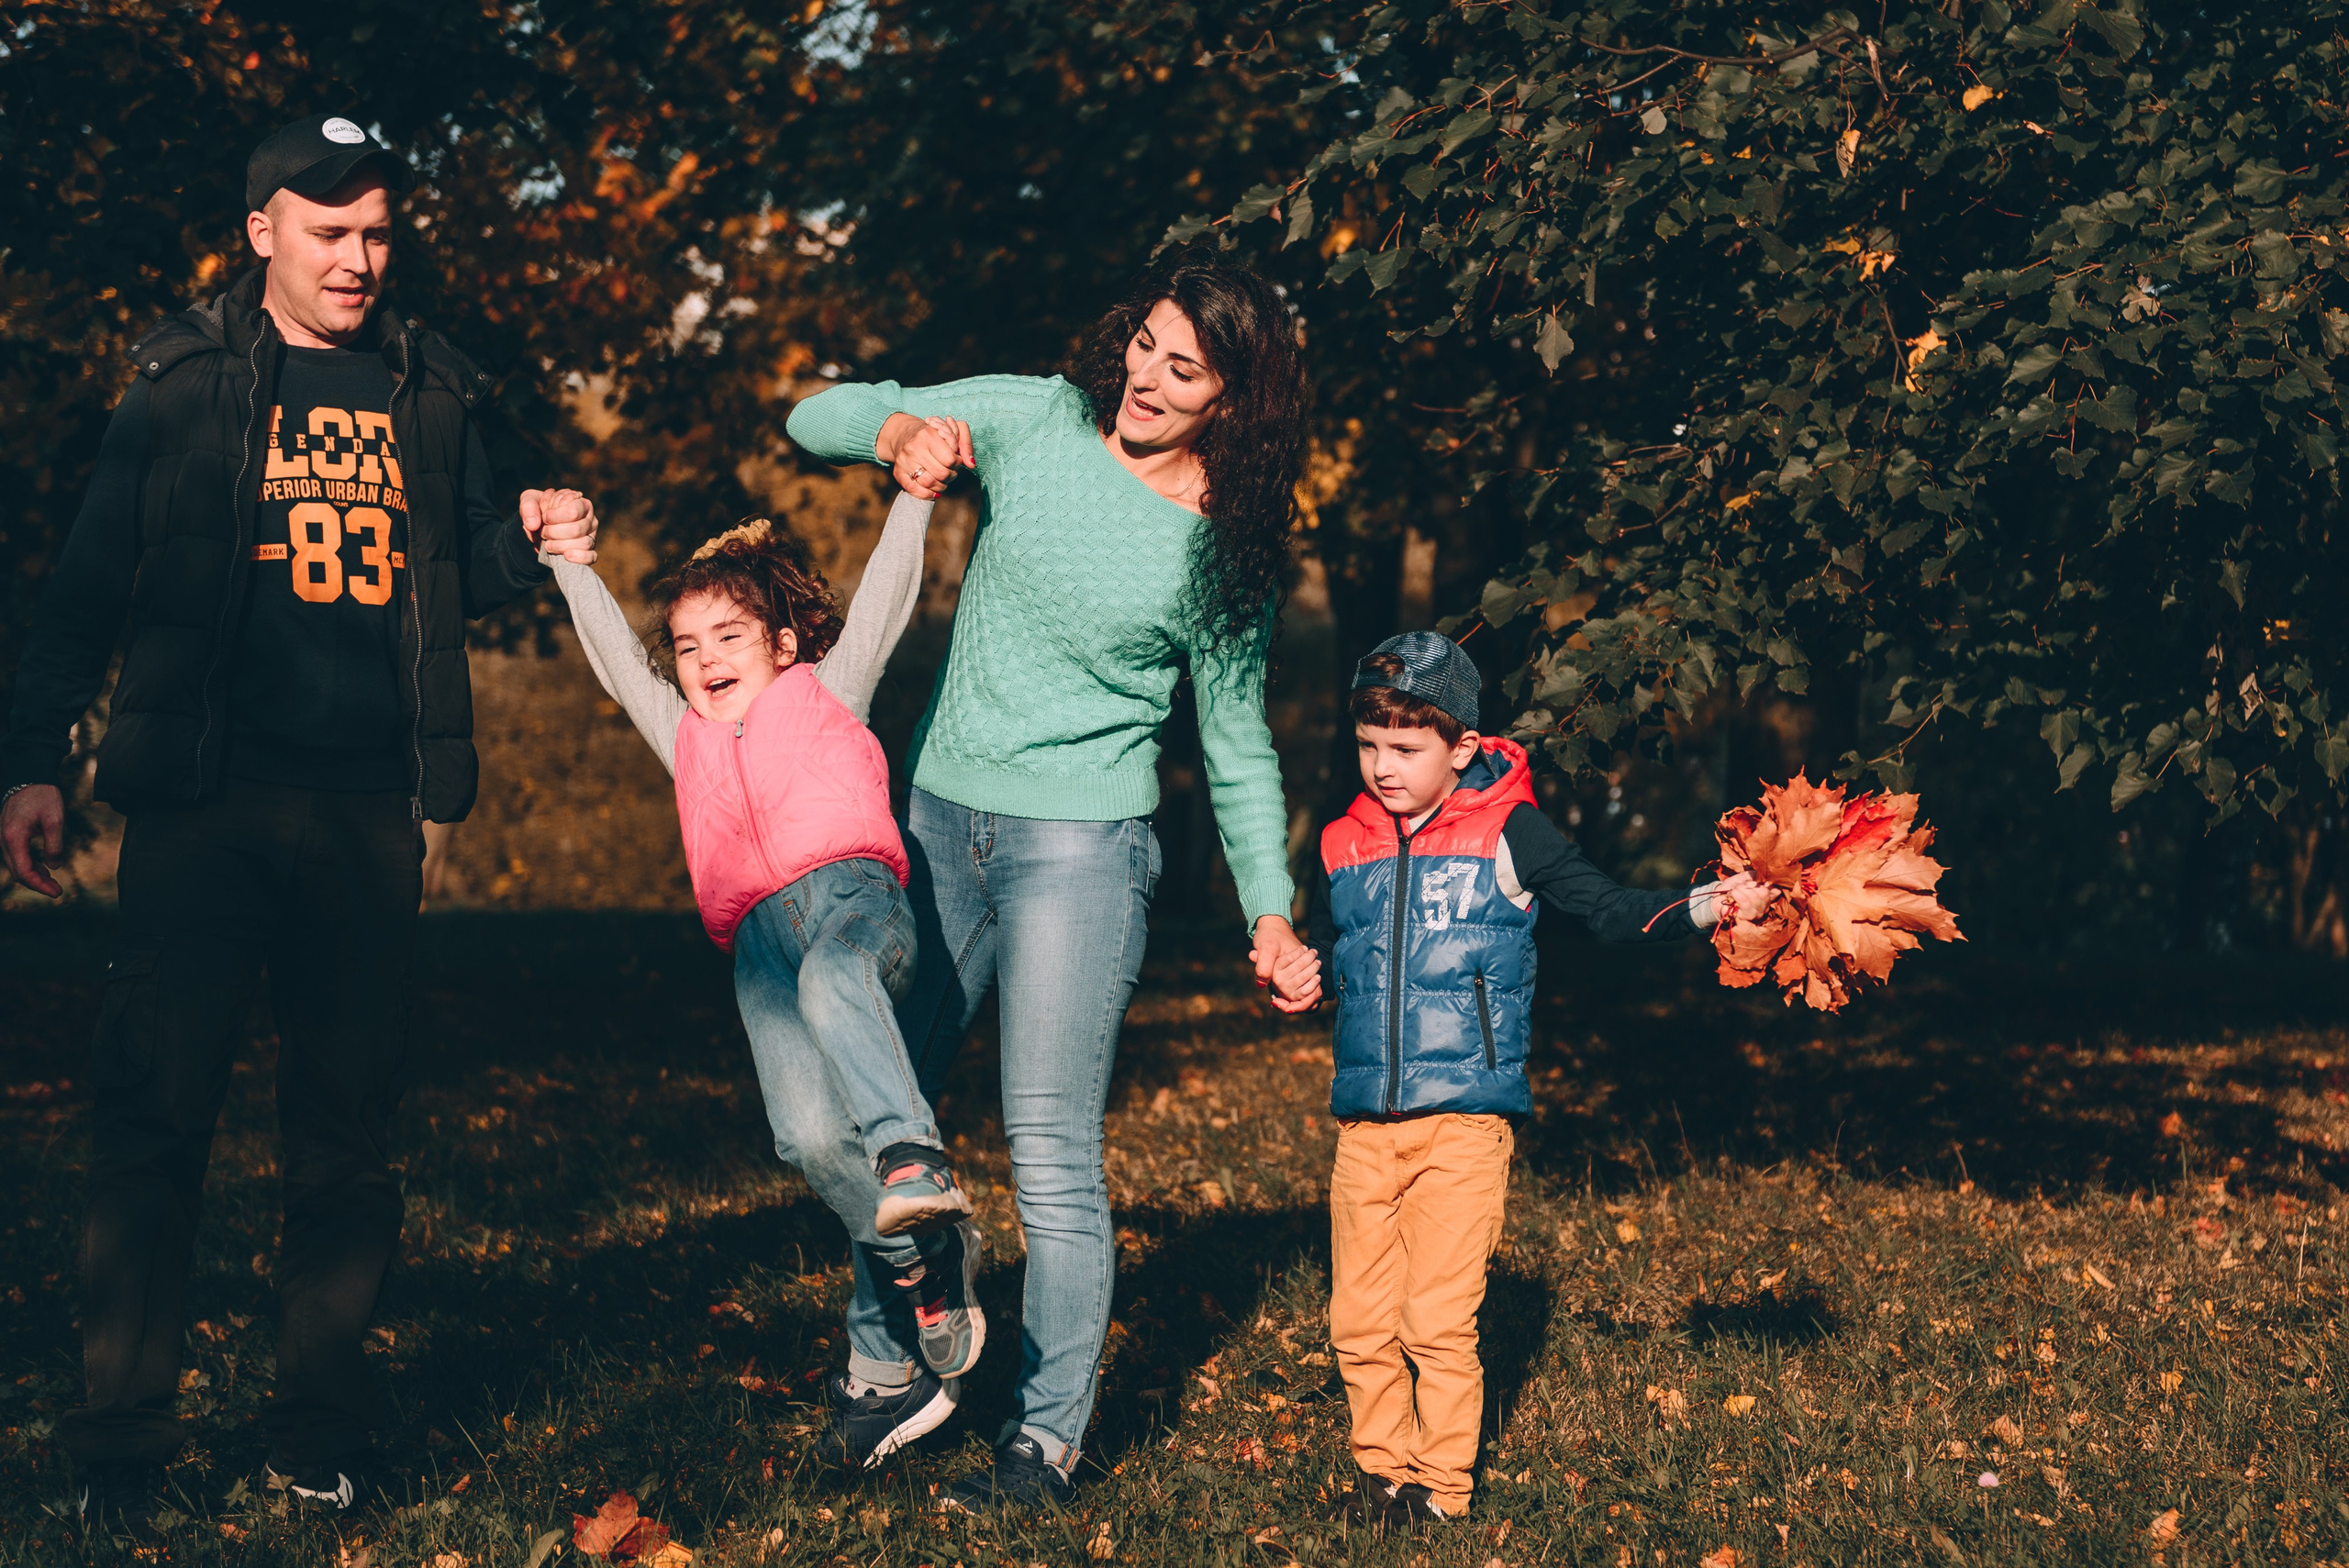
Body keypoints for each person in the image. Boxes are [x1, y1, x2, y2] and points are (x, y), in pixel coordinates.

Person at [0, 114, 599, 1532]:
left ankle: (317, 1428)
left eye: (378, 232)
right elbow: (84, 586)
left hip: (365, 818)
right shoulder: (181, 382)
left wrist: (548, 527)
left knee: (348, 1139)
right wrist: (32, 759)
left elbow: (484, 557)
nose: (358, 258)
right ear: (261, 229)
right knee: (154, 1121)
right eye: (329, 232)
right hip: (202, 810)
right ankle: (121, 1448)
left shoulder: (432, 384)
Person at [785, 255, 1321, 1509]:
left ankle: (1046, 1439)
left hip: (1081, 853)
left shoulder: (1220, 550)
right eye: (1145, 341)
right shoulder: (1033, 417)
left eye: (1182, 368)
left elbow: (1237, 741)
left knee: (1052, 1152)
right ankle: (883, 1375)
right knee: (888, 1123)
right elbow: (817, 417)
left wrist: (1271, 907)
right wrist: (904, 429)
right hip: (935, 819)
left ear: (1233, 403)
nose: (1144, 374)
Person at [546, 483, 989, 1470]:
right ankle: (926, 1261)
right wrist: (570, 565)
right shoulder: (685, 735)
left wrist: (915, 498)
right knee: (805, 1135)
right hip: (758, 950)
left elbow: (885, 594)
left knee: (839, 980)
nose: (705, 659)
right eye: (690, 644)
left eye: (728, 636)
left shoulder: (829, 686)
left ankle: (916, 1159)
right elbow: (623, 667)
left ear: (784, 643)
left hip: (856, 908)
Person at [1286, 632, 1767, 1529]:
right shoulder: (1341, 838)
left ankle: (1440, 1489)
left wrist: (1709, 903)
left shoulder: (1510, 831)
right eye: (1367, 745)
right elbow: (1335, 958)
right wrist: (1299, 978)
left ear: (1460, 745)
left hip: (1464, 1124)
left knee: (1433, 1318)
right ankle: (1381, 1475)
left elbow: (1613, 911)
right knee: (1358, 1321)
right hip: (1362, 1126)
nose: (1381, 766)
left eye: (1406, 748)